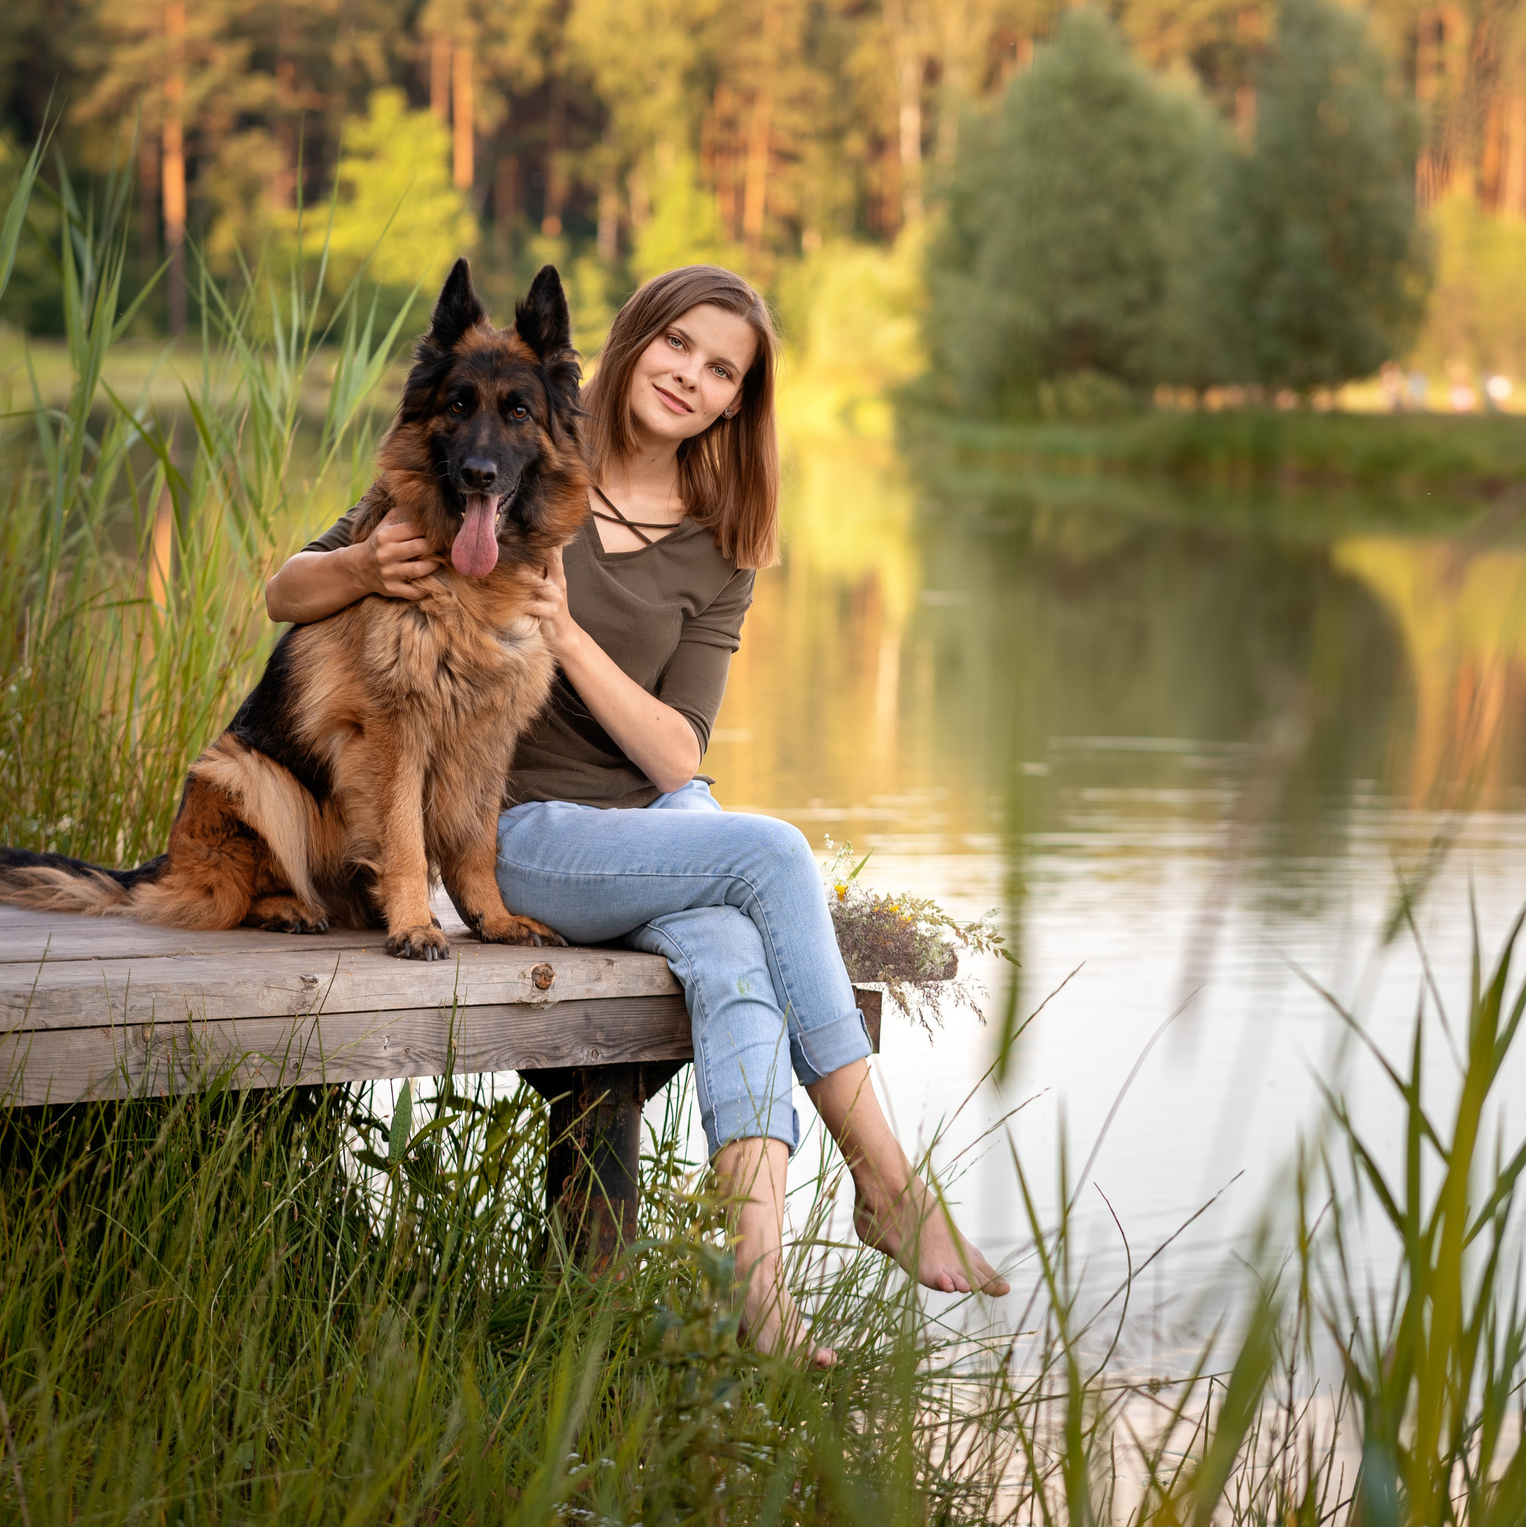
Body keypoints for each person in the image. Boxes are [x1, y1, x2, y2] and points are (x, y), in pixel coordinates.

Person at [263, 264, 1006, 1363]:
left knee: (733, 948)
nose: (692, 377)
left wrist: (565, 633)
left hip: (658, 825)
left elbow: (675, 752)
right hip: (522, 828)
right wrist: (366, 562)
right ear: (633, 339)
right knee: (772, 854)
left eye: (723, 370)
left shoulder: (721, 540)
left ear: (738, 401)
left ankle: (759, 1288)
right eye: (678, 345)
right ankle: (886, 1181)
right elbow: (286, 590)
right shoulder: (512, 460)